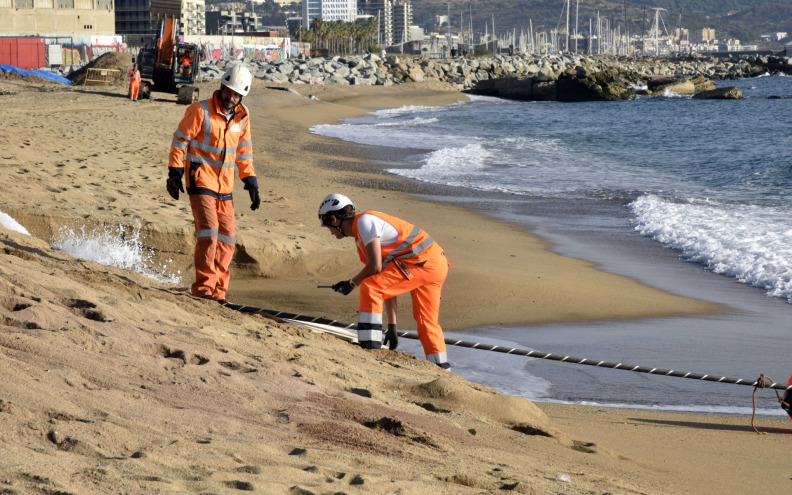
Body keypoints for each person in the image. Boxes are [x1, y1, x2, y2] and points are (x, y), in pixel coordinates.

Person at [318, 193, 451, 369]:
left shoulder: (365, 222)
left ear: (333, 219)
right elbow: (386, 282)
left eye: (327, 226)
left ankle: (369, 345)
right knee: (426, 320)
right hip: (436, 264)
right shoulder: (363, 234)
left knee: (369, 287)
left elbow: (375, 268)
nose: (330, 232)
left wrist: (351, 283)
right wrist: (392, 325)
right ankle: (441, 367)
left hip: (421, 263)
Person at [167, 63, 260, 304]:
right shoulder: (200, 111)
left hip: (225, 187)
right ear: (221, 86)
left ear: (242, 95)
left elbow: (244, 152)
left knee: (227, 240)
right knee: (209, 233)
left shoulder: (243, 115)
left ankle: (219, 293)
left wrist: (250, 181)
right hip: (201, 181)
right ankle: (204, 290)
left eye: (236, 94)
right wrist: (175, 171)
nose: (231, 97)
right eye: (228, 91)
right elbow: (180, 141)